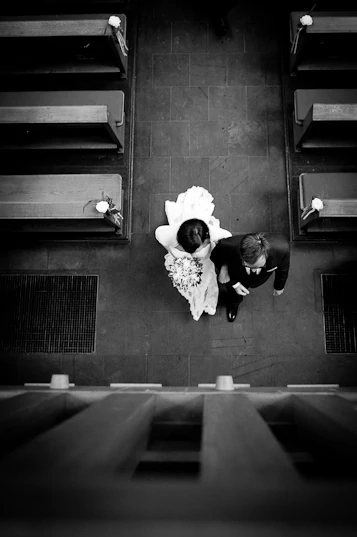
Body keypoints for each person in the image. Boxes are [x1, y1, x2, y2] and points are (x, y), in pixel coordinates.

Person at [155, 186, 232, 321]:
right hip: (185, 265)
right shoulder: (164, 234)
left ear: (207, 240)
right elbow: (165, 244)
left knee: (207, 278)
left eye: (197, 250)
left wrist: (224, 268)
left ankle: (208, 301)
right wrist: (178, 259)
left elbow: (230, 242)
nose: (192, 254)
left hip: (206, 261)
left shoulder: (216, 234)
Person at [211, 233, 290, 322]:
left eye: (259, 266)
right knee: (234, 295)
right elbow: (215, 256)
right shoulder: (228, 245)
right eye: (248, 266)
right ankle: (234, 304)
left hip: (259, 279)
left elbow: (283, 269)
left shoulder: (282, 250)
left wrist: (279, 286)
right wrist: (227, 272)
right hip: (237, 276)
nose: (253, 270)